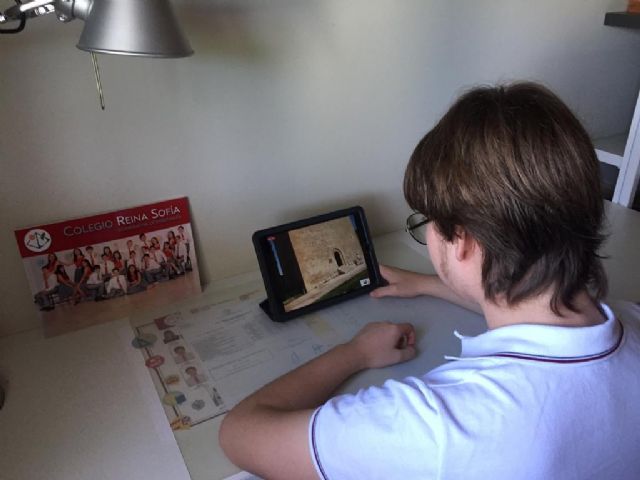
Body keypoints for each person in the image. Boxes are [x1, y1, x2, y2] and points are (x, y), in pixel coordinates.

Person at [218, 83, 640, 480]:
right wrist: (429, 285)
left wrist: (356, 353)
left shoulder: (437, 428)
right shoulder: (629, 320)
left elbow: (239, 434)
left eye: (428, 221)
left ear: (463, 241)